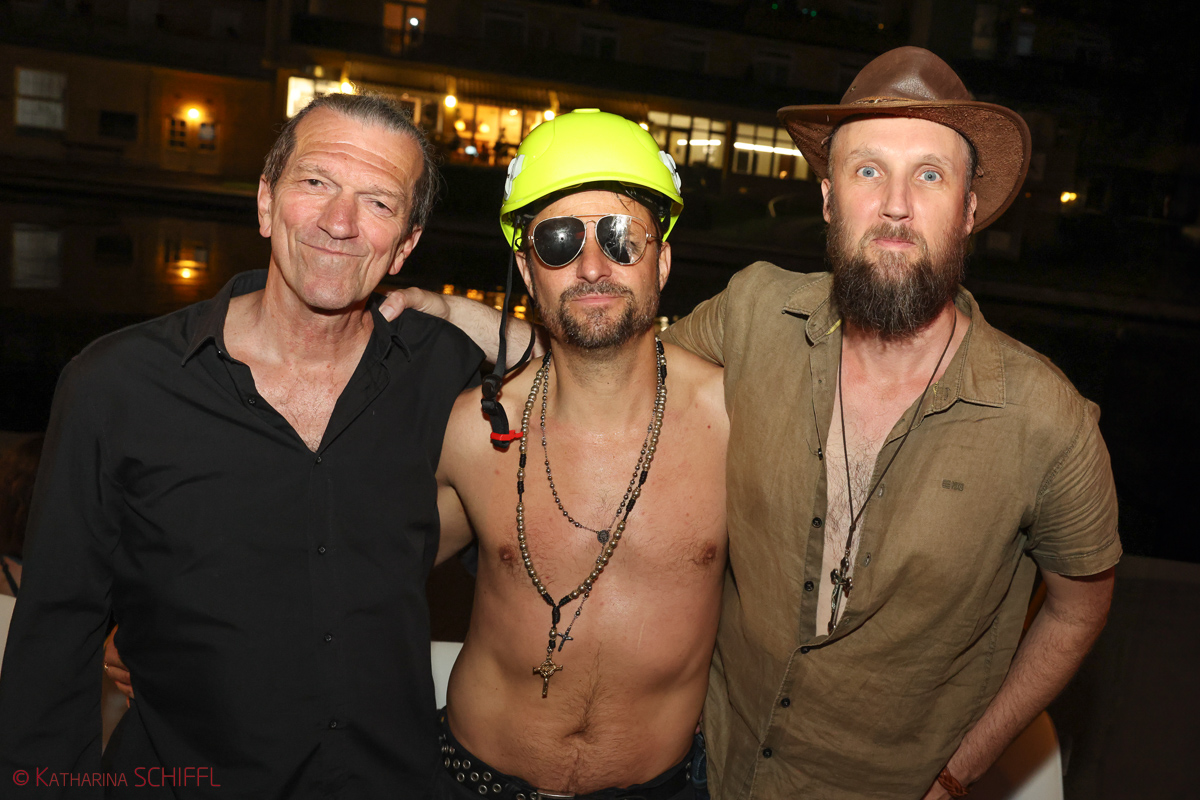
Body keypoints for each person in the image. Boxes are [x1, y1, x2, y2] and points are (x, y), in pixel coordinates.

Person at [382, 49, 1120, 799]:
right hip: (696, 776)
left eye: (929, 174)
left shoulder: (1047, 420)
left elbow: (1081, 607)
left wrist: (959, 775)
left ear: (968, 208)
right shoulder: (756, 316)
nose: (896, 204)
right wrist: (455, 314)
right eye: (868, 170)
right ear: (829, 197)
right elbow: (608, 349)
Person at [0, 92, 483, 797]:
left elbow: (589, 403)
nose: (339, 222)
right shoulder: (117, 385)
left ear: (405, 245)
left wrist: (459, 310)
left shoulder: (447, 372)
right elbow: (53, 644)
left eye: (378, 202)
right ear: (265, 202)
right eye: (315, 182)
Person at [431, 109, 727, 799]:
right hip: (469, 781)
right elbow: (354, 575)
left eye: (621, 237)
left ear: (663, 260)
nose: (593, 267)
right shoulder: (472, 431)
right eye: (558, 242)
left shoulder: (734, 424)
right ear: (527, 271)